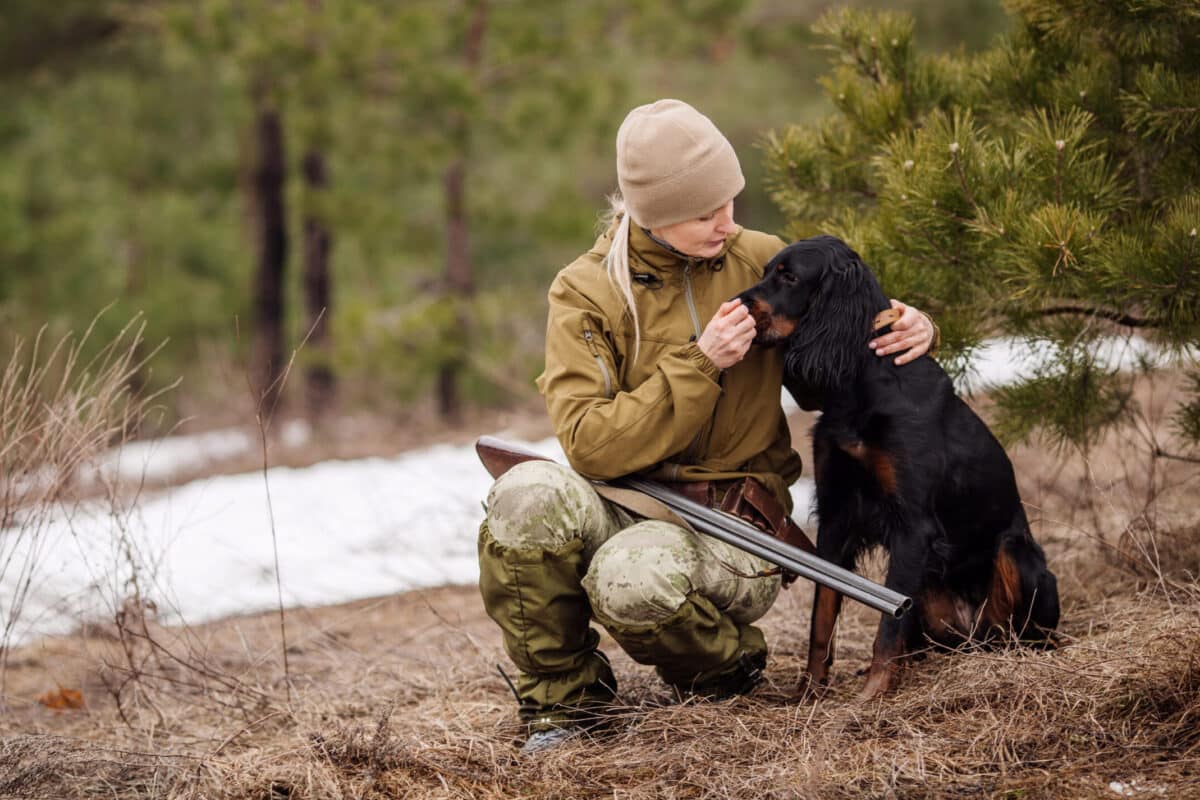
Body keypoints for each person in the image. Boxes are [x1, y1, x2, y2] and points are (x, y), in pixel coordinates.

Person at [477, 99, 937, 754]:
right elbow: (589, 444)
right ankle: (564, 706)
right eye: (703, 213)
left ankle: (725, 667)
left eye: (730, 201)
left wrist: (912, 329)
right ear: (650, 212)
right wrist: (702, 362)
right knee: (524, 496)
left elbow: (835, 374)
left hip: (735, 521)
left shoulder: (765, 261)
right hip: (624, 500)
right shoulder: (585, 291)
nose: (727, 224)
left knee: (634, 575)